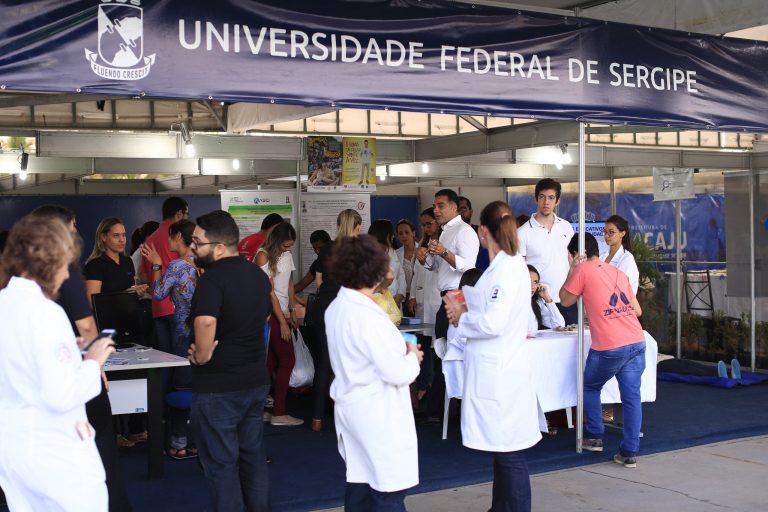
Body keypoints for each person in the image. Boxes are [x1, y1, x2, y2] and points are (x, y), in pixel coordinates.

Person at [0, 215, 115, 511]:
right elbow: (61, 395)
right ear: (50, 262)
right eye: (66, 263)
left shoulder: (5, 303)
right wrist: (92, 362)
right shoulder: (45, 313)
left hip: (14, 448)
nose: (66, 275)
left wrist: (67, 352)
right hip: (53, 451)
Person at [30, 205, 133, 511]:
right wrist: (96, 365)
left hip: (41, 371)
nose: (76, 232)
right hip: (73, 365)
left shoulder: (21, 271)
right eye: (72, 226)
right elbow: (86, 324)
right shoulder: (65, 269)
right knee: (100, 441)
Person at [444, 201, 541, 512]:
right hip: (504, 369)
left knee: (510, 454)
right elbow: (522, 321)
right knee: (504, 452)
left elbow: (494, 323)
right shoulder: (507, 268)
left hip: (501, 375)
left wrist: (462, 316)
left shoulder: (506, 271)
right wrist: (468, 307)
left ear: (483, 231)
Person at [325, 235, 423, 510]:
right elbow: (397, 373)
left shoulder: (338, 307)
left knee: (361, 484)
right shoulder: (367, 316)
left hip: (354, 407)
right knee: (386, 492)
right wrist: (412, 357)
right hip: (378, 413)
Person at [187, 210, 272, 511]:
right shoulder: (258, 276)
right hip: (254, 380)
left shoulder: (212, 280)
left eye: (197, 243)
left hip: (218, 386)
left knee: (221, 464)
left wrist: (201, 355)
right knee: (252, 457)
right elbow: (264, 316)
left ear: (220, 247)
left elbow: (206, 321)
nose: (192, 248)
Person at [559, 232, 646, 468]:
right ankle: (629, 452)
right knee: (632, 397)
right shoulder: (617, 272)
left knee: (590, 386)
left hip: (610, 344)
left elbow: (564, 299)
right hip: (636, 340)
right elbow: (637, 310)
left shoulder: (582, 270)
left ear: (577, 254)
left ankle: (595, 435)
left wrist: (572, 269)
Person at [419, 189, 479, 424]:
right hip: (446, 295)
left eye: (441, 205)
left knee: (451, 353)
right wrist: (426, 259)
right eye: (435, 205)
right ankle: (442, 409)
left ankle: (451, 410)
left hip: (459, 297)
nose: (436, 210)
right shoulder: (445, 231)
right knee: (442, 351)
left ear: (454, 207)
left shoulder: (464, 231)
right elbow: (438, 267)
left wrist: (444, 252)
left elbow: (468, 266)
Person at [142, 219, 199, 456]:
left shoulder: (177, 266)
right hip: (205, 334)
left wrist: (156, 265)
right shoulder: (201, 263)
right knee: (199, 388)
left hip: (183, 334)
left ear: (177, 237)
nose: (168, 241)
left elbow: (158, 294)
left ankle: (178, 443)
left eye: (170, 236)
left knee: (180, 387)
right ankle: (198, 440)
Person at [310, 209, 363, 432]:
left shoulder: (327, 249)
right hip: (345, 310)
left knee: (323, 364)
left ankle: (316, 418)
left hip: (323, 308)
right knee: (350, 364)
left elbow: (319, 283)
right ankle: (348, 418)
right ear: (358, 227)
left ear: (338, 225)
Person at [255, 222, 303, 427]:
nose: (288, 249)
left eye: (291, 245)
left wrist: (292, 310)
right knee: (287, 361)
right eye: (285, 245)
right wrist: (282, 322)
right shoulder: (262, 255)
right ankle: (279, 412)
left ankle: (262, 410)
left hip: (283, 313)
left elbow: (289, 284)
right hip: (269, 315)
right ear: (276, 241)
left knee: (271, 363)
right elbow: (270, 293)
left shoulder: (287, 255)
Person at [517, 178, 576, 325]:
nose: (546, 202)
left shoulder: (566, 227)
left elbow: (573, 261)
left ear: (558, 201)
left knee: (572, 339)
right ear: (536, 199)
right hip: (540, 302)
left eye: (551, 198)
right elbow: (520, 269)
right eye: (542, 197)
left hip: (567, 299)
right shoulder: (522, 232)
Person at [140, 197, 189, 358]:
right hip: (178, 308)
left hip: (158, 307)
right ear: (179, 213)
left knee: (165, 360)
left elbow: (144, 276)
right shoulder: (179, 237)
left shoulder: (149, 240)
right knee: (182, 360)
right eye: (187, 214)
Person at [85, 217, 147, 306]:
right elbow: (93, 303)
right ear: (103, 237)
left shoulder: (127, 261)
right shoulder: (94, 265)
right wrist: (126, 295)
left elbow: (132, 294)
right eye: (116, 235)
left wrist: (138, 293)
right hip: (108, 315)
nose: (121, 240)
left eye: (123, 235)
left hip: (131, 314)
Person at [601, 214, 640, 294]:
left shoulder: (627, 259)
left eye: (611, 232)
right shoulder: (601, 256)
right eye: (605, 232)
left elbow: (620, 288)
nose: (606, 235)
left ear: (622, 233)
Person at [368, 219, 401, 303]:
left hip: (395, 299)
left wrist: (401, 294)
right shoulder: (368, 255)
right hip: (378, 300)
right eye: (391, 234)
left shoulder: (392, 252)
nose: (393, 237)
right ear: (385, 235)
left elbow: (401, 275)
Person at [528, 264, 565, 331]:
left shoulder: (537, 302)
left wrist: (547, 298)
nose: (532, 286)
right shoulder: (511, 302)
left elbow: (559, 324)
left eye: (535, 282)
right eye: (528, 282)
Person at [294, 230, 332, 294]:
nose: (317, 251)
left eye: (320, 248)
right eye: (314, 248)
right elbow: (301, 284)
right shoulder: (317, 263)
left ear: (328, 245)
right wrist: (284, 294)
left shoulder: (341, 259)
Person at [394, 219, 418, 316]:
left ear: (413, 233)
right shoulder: (396, 254)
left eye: (407, 232)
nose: (404, 236)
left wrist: (413, 296)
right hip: (402, 298)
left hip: (419, 297)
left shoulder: (421, 250)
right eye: (400, 233)